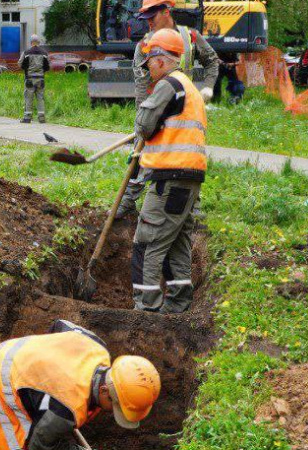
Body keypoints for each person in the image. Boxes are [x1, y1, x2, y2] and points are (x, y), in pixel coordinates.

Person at [0, 320, 161, 450]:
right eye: (116, 406)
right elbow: (38, 446)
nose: (113, 411)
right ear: (104, 391)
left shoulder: (96, 347)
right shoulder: (65, 409)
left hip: (10, 352)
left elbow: (60, 325)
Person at [116, 0, 217, 219]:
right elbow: (141, 84)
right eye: (146, 19)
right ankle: (127, 201)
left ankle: (192, 208)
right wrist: (142, 118)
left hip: (184, 110)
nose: (149, 23)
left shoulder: (189, 37)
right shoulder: (144, 45)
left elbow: (212, 61)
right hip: (155, 108)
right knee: (141, 154)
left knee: (188, 156)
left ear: (166, 12)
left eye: (152, 18)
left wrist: (207, 88)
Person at [130, 29, 207, 314]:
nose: (148, 67)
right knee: (176, 241)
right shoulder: (189, 87)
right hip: (188, 179)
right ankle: (178, 303)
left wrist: (143, 127)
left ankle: (145, 307)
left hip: (169, 179)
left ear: (162, 59)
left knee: (147, 241)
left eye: (149, 60)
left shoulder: (168, 86)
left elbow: (144, 125)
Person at [18, 35, 50, 124]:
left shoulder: (26, 53)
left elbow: (20, 64)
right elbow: (48, 66)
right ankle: (42, 118)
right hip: (41, 79)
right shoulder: (44, 53)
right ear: (39, 42)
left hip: (29, 79)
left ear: (31, 42)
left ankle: (27, 118)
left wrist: (27, 69)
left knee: (28, 98)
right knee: (40, 98)